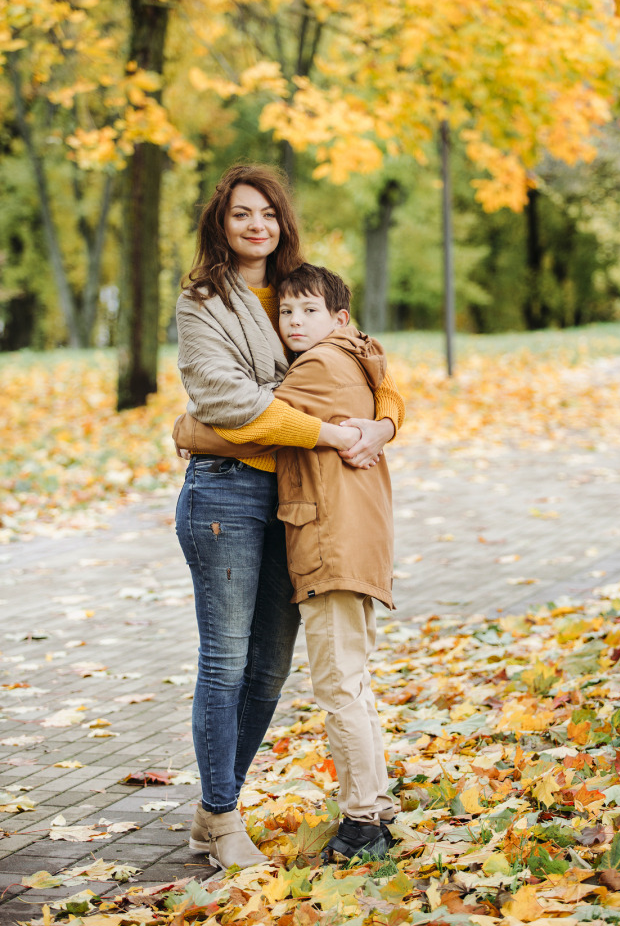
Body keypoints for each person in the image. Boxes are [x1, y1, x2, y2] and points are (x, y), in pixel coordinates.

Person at [173, 162, 402, 871]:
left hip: (293, 501)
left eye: (267, 212)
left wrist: (382, 426)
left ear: (282, 221)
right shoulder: (203, 301)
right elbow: (228, 400)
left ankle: (215, 812)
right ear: (222, 221)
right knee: (226, 661)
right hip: (227, 496)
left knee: (270, 668)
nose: (256, 225)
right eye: (242, 212)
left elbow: (371, 371)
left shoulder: (305, 294)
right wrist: (331, 433)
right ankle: (222, 812)